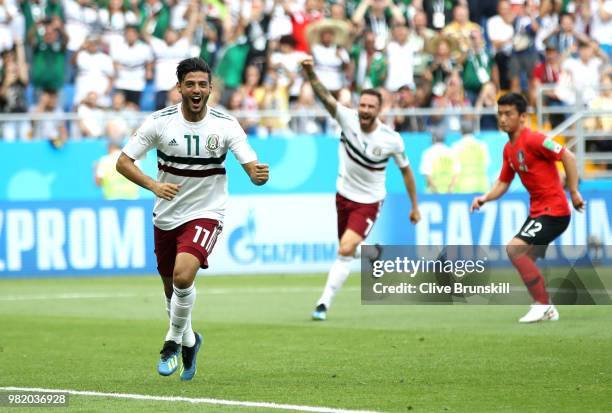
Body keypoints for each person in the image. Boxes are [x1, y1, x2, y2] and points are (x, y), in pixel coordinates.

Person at [116, 57, 269, 379]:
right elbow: (124, 162)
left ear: (210, 88)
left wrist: (257, 175)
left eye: (202, 84)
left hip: (206, 212)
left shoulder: (226, 125)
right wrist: (154, 185)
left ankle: (171, 342)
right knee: (172, 292)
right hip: (166, 216)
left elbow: (250, 165)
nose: (197, 90)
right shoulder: (160, 122)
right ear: (179, 88)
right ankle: (190, 339)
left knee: (184, 276)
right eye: (190, 84)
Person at [300, 56, 420, 321]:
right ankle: (372, 251)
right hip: (343, 194)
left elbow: (406, 172)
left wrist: (414, 206)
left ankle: (323, 303)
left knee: (344, 249)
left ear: (379, 110)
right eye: (362, 105)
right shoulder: (347, 118)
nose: (365, 110)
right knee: (346, 248)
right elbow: (325, 98)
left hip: (369, 200)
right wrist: (310, 73)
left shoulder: (391, 140)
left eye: (370, 106)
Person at [470, 93, 585, 323]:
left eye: (508, 114)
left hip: (554, 212)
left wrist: (573, 192)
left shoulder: (534, 140)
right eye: (500, 114)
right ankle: (547, 307)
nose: (502, 119)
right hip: (539, 212)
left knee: (514, 250)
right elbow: (503, 182)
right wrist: (485, 198)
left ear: (522, 117)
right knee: (525, 257)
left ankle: (542, 305)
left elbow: (568, 157)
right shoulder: (508, 149)